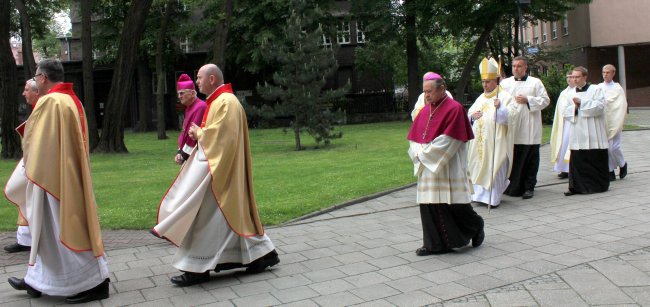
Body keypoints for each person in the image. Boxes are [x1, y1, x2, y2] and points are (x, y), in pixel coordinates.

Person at [152, 64, 279, 287]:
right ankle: (261, 255)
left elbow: (222, 138)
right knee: (229, 219)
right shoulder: (221, 101)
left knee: (203, 219)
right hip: (222, 169)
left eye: (199, 78)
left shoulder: (226, 102)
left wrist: (198, 132)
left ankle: (195, 268)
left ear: (212, 79)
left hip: (220, 172)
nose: (197, 82)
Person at [6, 59, 109, 303]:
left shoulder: (51, 101)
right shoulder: (70, 99)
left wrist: (28, 170)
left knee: (62, 231)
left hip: (52, 178)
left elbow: (36, 141)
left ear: (42, 77)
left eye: (35, 77)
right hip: (63, 173)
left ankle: (94, 282)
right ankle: (38, 281)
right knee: (49, 232)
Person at [407, 72, 484, 255]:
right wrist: (418, 152)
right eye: (424, 92)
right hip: (428, 165)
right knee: (429, 205)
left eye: (429, 91)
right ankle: (433, 244)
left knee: (455, 205)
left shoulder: (454, 109)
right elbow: (415, 136)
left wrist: (424, 154)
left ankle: (476, 225)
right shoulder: (425, 110)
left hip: (448, 165)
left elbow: (450, 140)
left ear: (442, 88)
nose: (426, 95)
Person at [467, 58, 521, 208]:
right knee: (477, 165)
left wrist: (501, 109)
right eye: (483, 81)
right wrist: (472, 117)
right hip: (479, 141)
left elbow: (512, 117)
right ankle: (478, 195)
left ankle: (493, 198)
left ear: (496, 81)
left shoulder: (504, 97)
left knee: (494, 167)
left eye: (488, 81)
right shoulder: (480, 98)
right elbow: (470, 114)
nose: (485, 85)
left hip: (497, 142)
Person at [501, 56, 550, 199]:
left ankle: (529, 187)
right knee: (513, 158)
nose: (516, 68)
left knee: (530, 158)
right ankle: (511, 186)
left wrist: (528, 99)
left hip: (529, 127)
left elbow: (545, 100)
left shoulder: (535, 82)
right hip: (512, 128)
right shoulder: (505, 84)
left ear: (525, 67)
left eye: (519, 66)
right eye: (514, 66)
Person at [4, 80, 41, 254]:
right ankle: (25, 237)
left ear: (36, 91)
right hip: (31, 158)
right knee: (25, 197)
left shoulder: (45, 107)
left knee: (23, 194)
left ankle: (34, 237)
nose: (23, 93)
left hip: (37, 162)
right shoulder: (40, 107)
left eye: (26, 90)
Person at [563, 66, 609, 196]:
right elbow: (565, 111)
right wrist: (575, 108)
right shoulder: (570, 93)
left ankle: (597, 186)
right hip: (578, 131)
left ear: (585, 77)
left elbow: (600, 107)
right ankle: (576, 186)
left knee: (594, 158)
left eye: (577, 77)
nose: (575, 79)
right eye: (573, 77)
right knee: (578, 159)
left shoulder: (596, 89)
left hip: (594, 131)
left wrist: (582, 103)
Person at [599, 64, 628, 181]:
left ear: (613, 73)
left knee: (614, 147)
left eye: (608, 72)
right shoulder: (598, 87)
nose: (605, 75)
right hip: (603, 120)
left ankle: (622, 164)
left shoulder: (617, 88)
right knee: (606, 147)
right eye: (603, 72)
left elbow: (621, 104)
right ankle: (610, 171)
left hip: (614, 120)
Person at [175, 74, 207, 165]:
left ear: (192, 93)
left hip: (198, 155)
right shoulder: (189, 107)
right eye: (178, 94)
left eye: (182, 93)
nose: (179, 96)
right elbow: (184, 132)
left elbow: (193, 133)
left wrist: (183, 154)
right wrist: (180, 151)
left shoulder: (200, 107)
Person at [550, 72, 577, 179]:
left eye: (571, 77)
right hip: (564, 124)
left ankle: (572, 169)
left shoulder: (577, 91)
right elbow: (559, 110)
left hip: (573, 122)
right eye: (568, 77)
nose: (569, 79)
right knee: (563, 145)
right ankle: (563, 169)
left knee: (571, 145)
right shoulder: (563, 93)